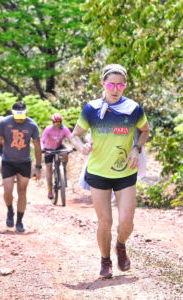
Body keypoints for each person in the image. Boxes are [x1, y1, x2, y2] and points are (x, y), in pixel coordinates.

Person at [71, 64, 150, 279]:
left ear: (125, 86)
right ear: (103, 84)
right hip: (98, 172)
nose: (115, 89)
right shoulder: (91, 109)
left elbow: (145, 130)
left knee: (126, 221)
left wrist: (137, 148)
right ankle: (105, 260)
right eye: (111, 84)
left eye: (120, 85)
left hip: (125, 172)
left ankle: (121, 245)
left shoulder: (133, 108)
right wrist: (81, 147)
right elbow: (75, 134)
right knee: (105, 222)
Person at [0, 101, 42, 233]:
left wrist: (38, 167)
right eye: (17, 117)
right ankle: (9, 211)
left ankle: (19, 221)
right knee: (7, 191)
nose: (19, 120)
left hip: (24, 163)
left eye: (22, 117)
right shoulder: (4, 124)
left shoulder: (32, 125)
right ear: (13, 114)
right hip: (8, 162)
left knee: (22, 192)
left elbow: (37, 146)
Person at [41, 113, 72, 199]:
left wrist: (74, 147)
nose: (57, 124)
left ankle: (63, 169)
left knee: (66, 152)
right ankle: (50, 190)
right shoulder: (48, 129)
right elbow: (42, 140)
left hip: (58, 147)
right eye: (55, 122)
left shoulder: (64, 129)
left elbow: (71, 138)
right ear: (52, 122)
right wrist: (42, 148)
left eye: (59, 122)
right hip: (48, 149)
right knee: (49, 167)